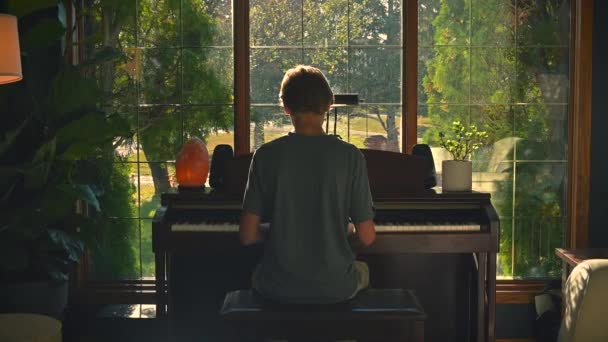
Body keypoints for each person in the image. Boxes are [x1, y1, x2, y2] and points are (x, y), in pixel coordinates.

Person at [238, 65, 376, 304]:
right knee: (362, 271)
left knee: (252, 274)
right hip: (336, 287)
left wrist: (281, 234)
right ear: (329, 104)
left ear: (285, 107)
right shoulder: (350, 156)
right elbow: (367, 237)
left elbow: (248, 236)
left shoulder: (265, 155)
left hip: (277, 285)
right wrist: (340, 240)